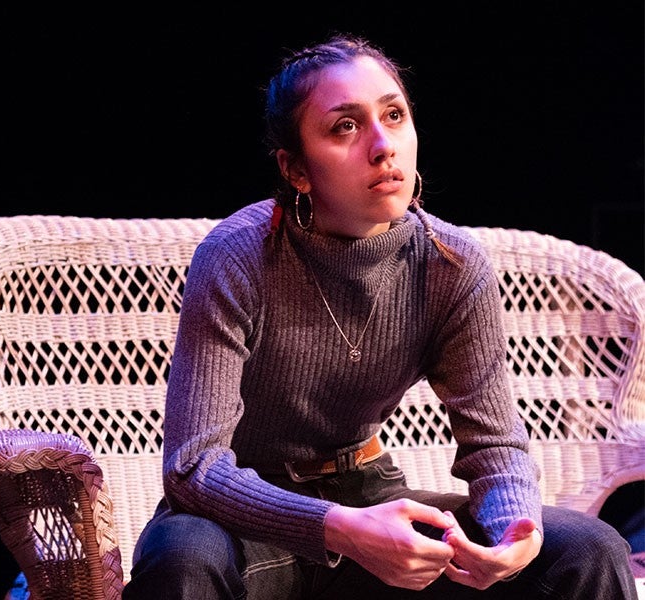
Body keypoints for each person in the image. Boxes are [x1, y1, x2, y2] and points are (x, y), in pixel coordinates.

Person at [121, 33, 637, 599]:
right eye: (345, 126)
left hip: (369, 495)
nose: (382, 145)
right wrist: (339, 528)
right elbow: (193, 468)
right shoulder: (238, 257)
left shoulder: (450, 265)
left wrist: (515, 530)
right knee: (183, 558)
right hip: (245, 517)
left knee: (585, 551)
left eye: (394, 116)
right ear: (296, 169)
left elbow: (494, 446)